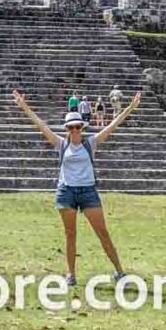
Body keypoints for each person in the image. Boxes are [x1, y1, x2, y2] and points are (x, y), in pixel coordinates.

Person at [13, 88, 142, 286]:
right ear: (66, 129)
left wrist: (130, 108)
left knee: (103, 233)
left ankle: (119, 272)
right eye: (70, 127)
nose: (74, 130)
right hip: (67, 191)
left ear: (82, 127)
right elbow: (41, 125)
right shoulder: (61, 144)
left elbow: (112, 126)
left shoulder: (91, 143)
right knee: (70, 234)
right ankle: (71, 275)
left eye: (77, 127)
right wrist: (24, 107)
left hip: (88, 191)